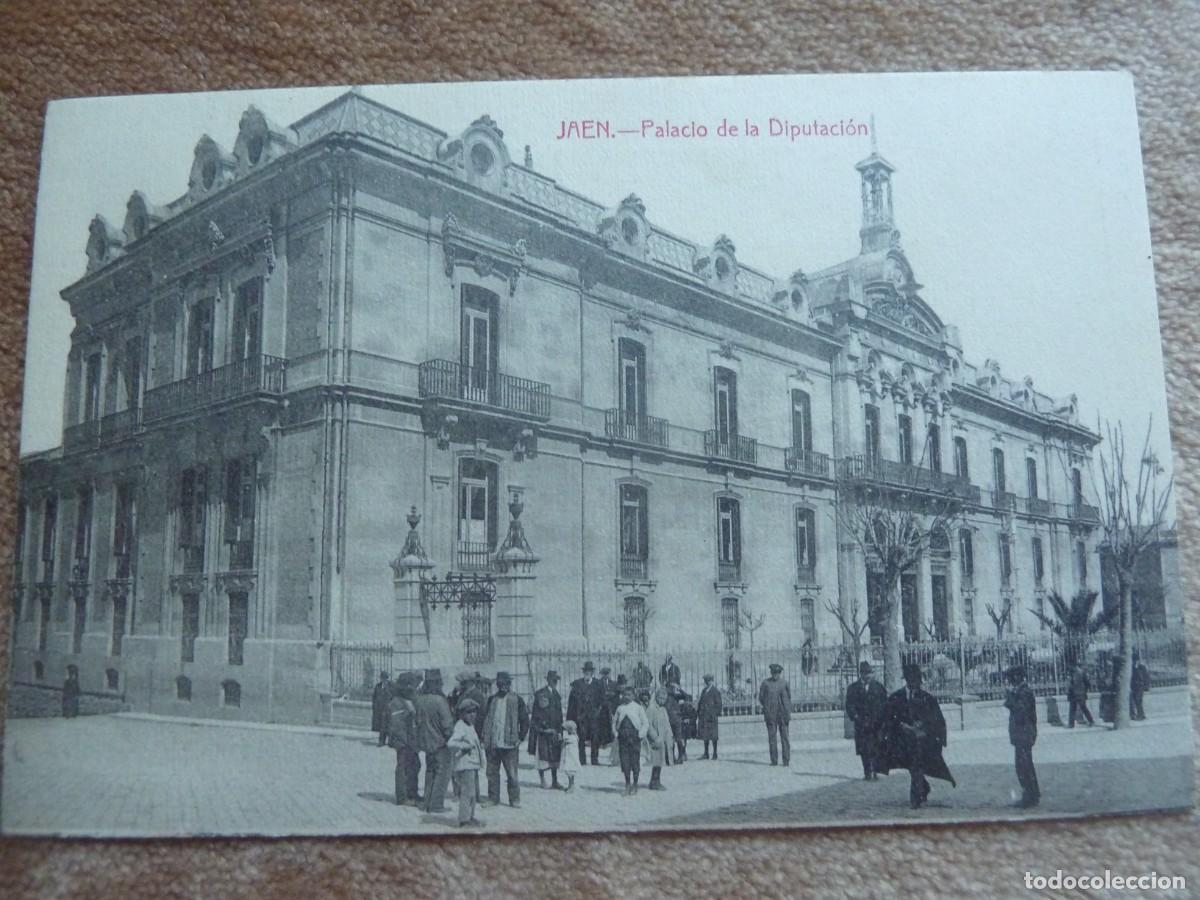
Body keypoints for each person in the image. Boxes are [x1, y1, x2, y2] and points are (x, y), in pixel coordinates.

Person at [876, 663, 956, 809]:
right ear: (906, 680)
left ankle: (915, 797)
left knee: (916, 766)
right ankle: (924, 787)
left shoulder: (927, 698)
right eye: (912, 680)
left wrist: (924, 727)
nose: (915, 683)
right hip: (902, 741)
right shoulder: (896, 698)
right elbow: (887, 718)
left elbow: (937, 720)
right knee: (913, 768)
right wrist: (900, 726)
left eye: (917, 680)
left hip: (922, 741)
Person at [481, 671, 529, 808]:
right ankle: (493, 798)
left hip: (510, 744)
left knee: (512, 774)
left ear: (510, 684)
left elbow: (525, 720)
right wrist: (484, 737)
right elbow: (485, 718)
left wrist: (520, 737)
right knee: (491, 773)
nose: (504, 686)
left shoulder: (517, 699)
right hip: (493, 743)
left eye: (506, 684)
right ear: (497, 685)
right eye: (501, 684)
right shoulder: (491, 700)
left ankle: (514, 799)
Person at [414, 668, 454, 813]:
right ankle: (436, 804)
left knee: (430, 772)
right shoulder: (440, 701)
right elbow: (447, 725)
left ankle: (427, 802)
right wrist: (453, 739)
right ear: (437, 683)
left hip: (426, 743)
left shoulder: (419, 700)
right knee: (442, 774)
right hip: (441, 743)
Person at [1004, 665, 1039, 808]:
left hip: (1025, 734)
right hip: (1022, 734)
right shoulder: (1022, 691)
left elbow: (1020, 711)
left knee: (1023, 766)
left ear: (1018, 677)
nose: (1010, 681)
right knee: (1024, 765)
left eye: (1011, 678)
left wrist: (1010, 696)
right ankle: (1032, 794)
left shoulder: (1025, 692)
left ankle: (1030, 796)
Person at [447, 698, 485, 828]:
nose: (472, 715)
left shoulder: (470, 726)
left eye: (474, 712)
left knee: (472, 793)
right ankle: (464, 820)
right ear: (462, 714)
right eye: (469, 712)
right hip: (465, 765)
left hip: (472, 765)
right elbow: (451, 743)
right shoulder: (460, 726)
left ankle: (470, 816)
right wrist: (464, 746)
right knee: (466, 793)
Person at [844, 661, 886, 780]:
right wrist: (856, 716)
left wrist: (881, 718)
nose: (869, 676)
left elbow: (884, 704)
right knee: (863, 749)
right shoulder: (853, 688)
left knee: (875, 747)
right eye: (866, 673)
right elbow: (849, 705)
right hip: (861, 723)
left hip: (875, 723)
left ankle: (875, 771)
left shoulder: (878, 687)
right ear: (861, 674)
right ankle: (867, 771)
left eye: (870, 673)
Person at [386, 671, 421, 806]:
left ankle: (413, 792)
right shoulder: (396, 702)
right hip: (403, 741)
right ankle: (402, 797)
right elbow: (396, 725)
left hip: (412, 741)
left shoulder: (411, 700)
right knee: (403, 767)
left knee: (415, 765)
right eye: (411, 685)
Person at [529, 670, 564, 789]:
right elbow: (536, 715)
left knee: (554, 756)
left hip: (554, 731)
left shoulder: (557, 695)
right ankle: (542, 779)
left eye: (556, 680)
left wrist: (559, 730)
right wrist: (542, 729)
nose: (555, 682)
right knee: (542, 756)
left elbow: (559, 715)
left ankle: (555, 781)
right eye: (553, 680)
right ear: (548, 680)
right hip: (544, 731)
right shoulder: (540, 694)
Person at [612, 686, 649, 795]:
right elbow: (614, 723)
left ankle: (635, 784)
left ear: (633, 696)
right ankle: (627, 784)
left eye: (629, 695)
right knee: (625, 762)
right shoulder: (619, 708)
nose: (626, 697)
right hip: (623, 738)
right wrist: (616, 733)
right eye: (625, 695)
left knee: (635, 762)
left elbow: (645, 723)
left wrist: (640, 734)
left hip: (634, 738)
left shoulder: (638, 708)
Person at [567, 661, 605, 765]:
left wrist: (598, 712)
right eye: (586, 671)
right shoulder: (577, 684)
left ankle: (594, 759)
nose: (588, 673)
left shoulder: (598, 684)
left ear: (593, 672)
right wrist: (571, 718)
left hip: (594, 717)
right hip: (581, 717)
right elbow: (572, 702)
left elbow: (602, 701)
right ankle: (582, 759)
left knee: (595, 738)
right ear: (583, 672)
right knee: (581, 738)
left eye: (590, 671)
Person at [759, 663, 792, 766]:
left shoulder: (785, 683)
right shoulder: (765, 683)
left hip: (783, 714)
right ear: (771, 673)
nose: (775, 675)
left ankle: (786, 760)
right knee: (772, 738)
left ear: (780, 673)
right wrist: (767, 707)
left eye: (777, 673)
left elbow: (788, 697)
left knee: (785, 738)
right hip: (771, 715)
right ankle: (774, 760)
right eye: (773, 673)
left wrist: (787, 712)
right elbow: (761, 698)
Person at [645, 686, 673, 790]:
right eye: (660, 698)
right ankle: (654, 781)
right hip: (655, 739)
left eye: (664, 699)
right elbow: (648, 724)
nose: (662, 701)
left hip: (662, 738)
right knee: (656, 761)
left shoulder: (663, 709)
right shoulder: (651, 708)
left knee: (660, 761)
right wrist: (654, 737)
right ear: (656, 697)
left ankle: (657, 780)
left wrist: (669, 735)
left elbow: (667, 723)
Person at [696, 674, 722, 759]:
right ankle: (706, 753)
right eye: (706, 681)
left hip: (711, 717)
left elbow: (719, 704)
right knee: (705, 736)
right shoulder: (704, 691)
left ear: (711, 681)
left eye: (708, 681)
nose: (707, 682)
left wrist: (714, 714)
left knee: (714, 736)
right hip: (704, 716)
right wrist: (699, 712)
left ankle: (715, 753)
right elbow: (700, 702)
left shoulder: (715, 691)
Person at [664, 682, 690, 762]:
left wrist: (679, 689)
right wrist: (678, 689)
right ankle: (673, 757)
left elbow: (686, 696)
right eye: (671, 687)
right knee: (671, 739)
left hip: (675, 719)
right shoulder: (666, 696)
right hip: (669, 718)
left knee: (677, 738)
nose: (672, 689)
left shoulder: (675, 696)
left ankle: (679, 757)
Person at [1067, 662, 1094, 728]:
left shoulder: (1079, 673)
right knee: (1079, 708)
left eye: (1070, 666)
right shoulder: (1076, 672)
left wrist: (1085, 690)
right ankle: (1071, 724)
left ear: (1072, 665)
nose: (1069, 667)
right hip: (1078, 693)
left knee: (1078, 708)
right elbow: (1087, 683)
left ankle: (1071, 724)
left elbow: (1086, 683)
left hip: (1078, 693)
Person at [371, 671, 392, 747]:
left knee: (388, 726)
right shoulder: (378, 686)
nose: (384, 680)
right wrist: (374, 706)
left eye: (385, 678)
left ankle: (390, 741)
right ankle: (381, 741)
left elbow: (391, 696)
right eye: (382, 678)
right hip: (379, 709)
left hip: (388, 709)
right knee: (381, 726)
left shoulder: (390, 686)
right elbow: (374, 696)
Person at [559, 720, 580, 792]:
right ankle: (570, 785)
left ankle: (571, 786)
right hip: (569, 757)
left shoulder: (572, 737)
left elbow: (564, 739)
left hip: (571, 758)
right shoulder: (573, 737)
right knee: (569, 772)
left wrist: (563, 734)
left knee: (570, 772)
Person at [1131, 654, 1151, 721]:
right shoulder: (1131, 668)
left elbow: (1146, 677)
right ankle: (1138, 715)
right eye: (1134, 660)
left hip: (1140, 686)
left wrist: (1146, 686)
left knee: (1138, 700)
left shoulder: (1142, 667)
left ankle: (1141, 715)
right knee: (1135, 701)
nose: (1135, 662)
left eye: (1136, 660)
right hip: (1133, 687)